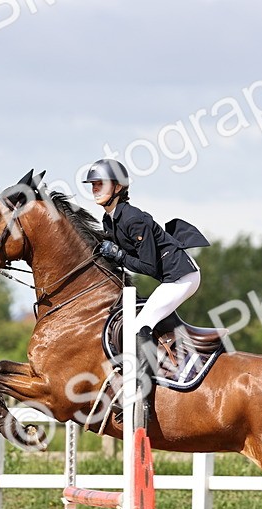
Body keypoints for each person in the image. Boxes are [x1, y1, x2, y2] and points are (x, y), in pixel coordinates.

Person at [83, 158, 209, 423]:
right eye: (93, 185)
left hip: (181, 276)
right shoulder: (110, 219)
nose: (94, 189)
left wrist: (117, 254)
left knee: (140, 326)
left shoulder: (133, 218)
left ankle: (142, 396)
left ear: (118, 187)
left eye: (100, 184)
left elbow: (149, 266)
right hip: (170, 277)